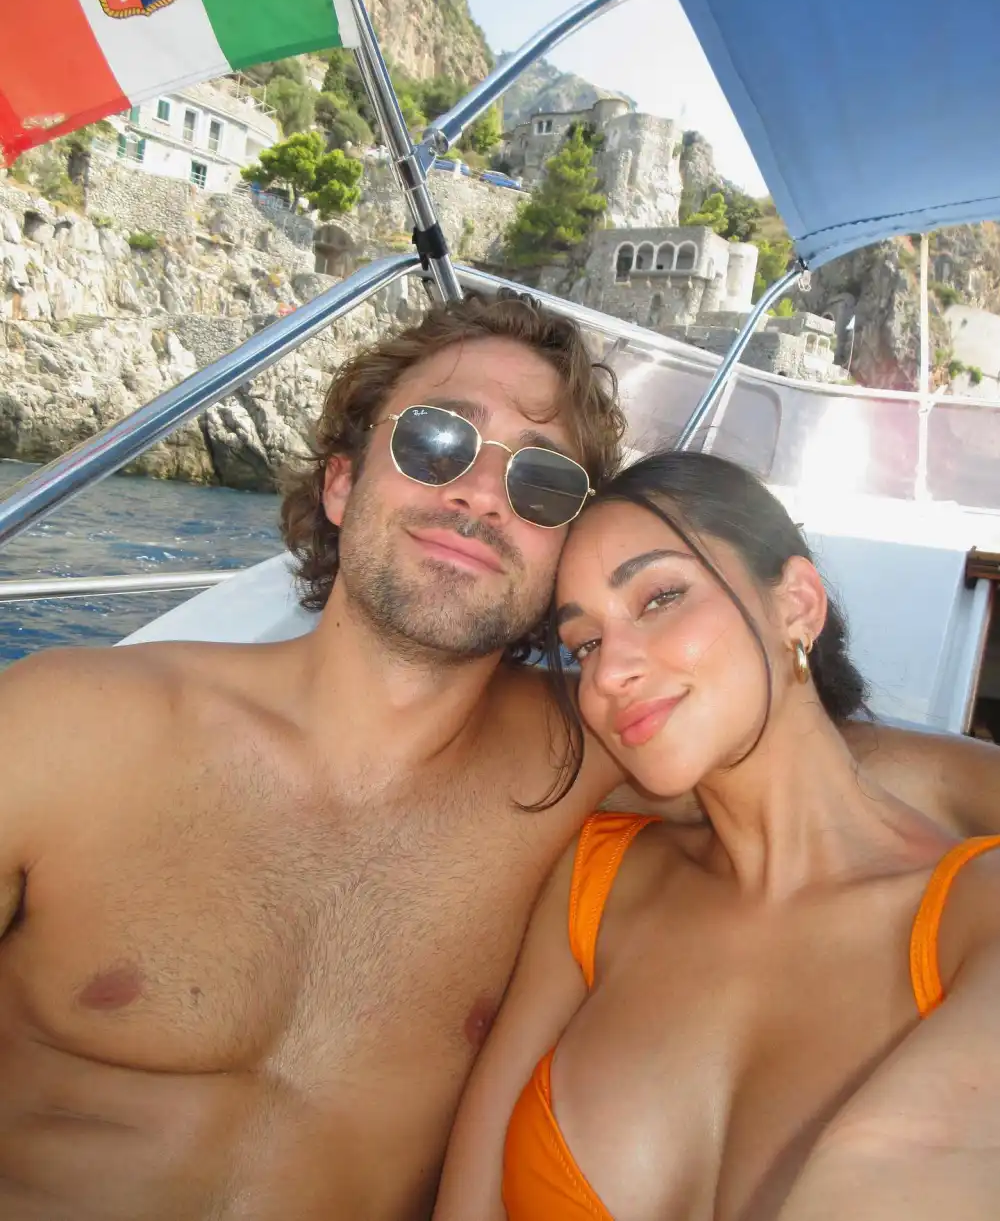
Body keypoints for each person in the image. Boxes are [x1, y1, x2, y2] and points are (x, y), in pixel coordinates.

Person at [0, 299, 996, 1221]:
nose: (481, 491)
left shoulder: (596, 749)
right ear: (343, 481)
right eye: (437, 439)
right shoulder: (67, 727)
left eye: (542, 478)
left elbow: (838, 761)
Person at [432, 448, 1000, 1221]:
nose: (607, 674)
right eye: (586, 643)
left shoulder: (976, 914)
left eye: (661, 596)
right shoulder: (598, 884)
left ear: (797, 604)